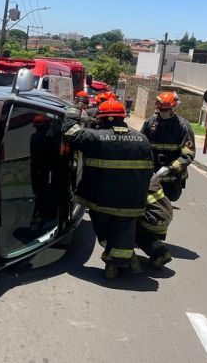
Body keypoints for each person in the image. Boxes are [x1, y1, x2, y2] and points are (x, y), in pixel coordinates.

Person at [63, 99, 154, 279]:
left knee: (104, 230)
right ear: (123, 118)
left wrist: (73, 110)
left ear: (102, 119)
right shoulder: (142, 140)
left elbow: (70, 132)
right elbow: (148, 171)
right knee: (123, 230)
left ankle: (115, 260)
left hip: (100, 200)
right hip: (131, 202)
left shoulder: (94, 138)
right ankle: (117, 263)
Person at [143, 91, 195, 203]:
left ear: (173, 108)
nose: (162, 112)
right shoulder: (150, 122)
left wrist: (169, 168)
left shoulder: (183, 127)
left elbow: (188, 154)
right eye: (160, 109)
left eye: (165, 110)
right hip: (150, 177)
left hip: (171, 179)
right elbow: (141, 146)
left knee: (164, 206)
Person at [136, 178, 174, 269]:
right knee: (145, 230)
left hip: (152, 219)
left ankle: (125, 257)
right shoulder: (151, 175)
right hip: (166, 215)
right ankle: (162, 252)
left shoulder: (132, 180)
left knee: (130, 226)